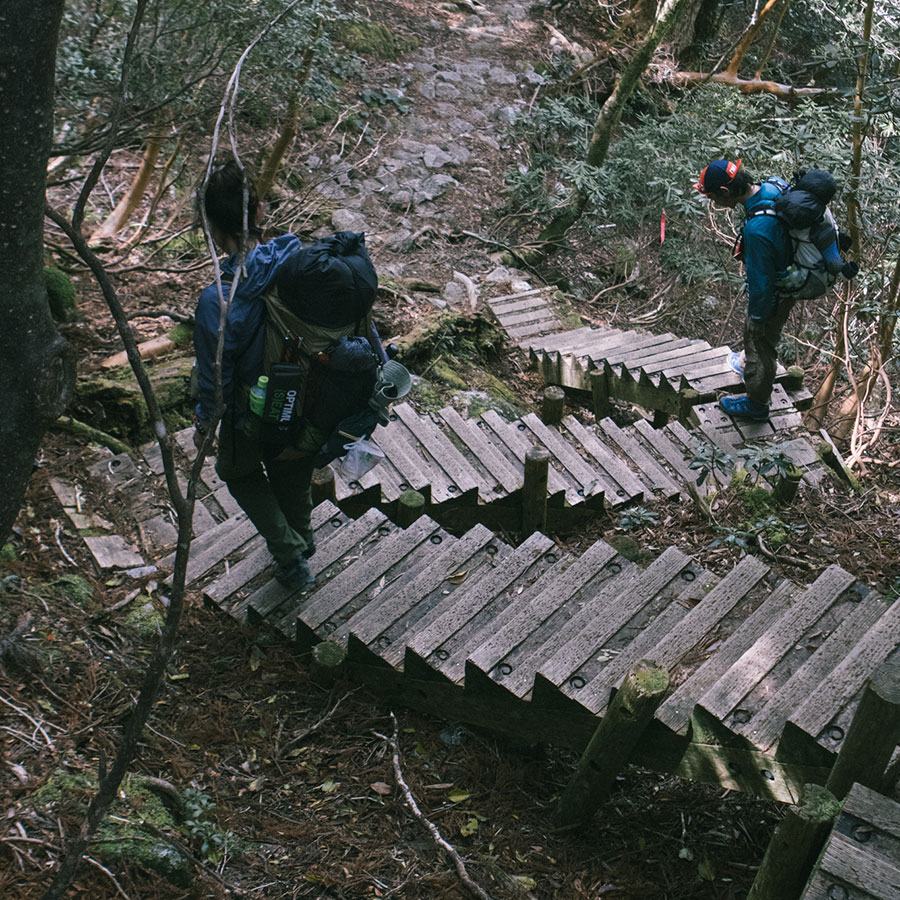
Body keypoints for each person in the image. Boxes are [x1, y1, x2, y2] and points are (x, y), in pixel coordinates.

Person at [192, 161, 316, 590]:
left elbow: (215, 378)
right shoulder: (298, 261)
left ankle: (290, 554)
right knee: (292, 470)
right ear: (260, 212)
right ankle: (305, 543)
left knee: (237, 472)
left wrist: (206, 425)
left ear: (211, 227)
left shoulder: (218, 300)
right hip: (305, 399)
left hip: (250, 412)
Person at [695, 159, 792, 422]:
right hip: (789, 278)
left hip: (775, 292)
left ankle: (757, 405)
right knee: (762, 340)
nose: (713, 203)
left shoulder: (758, 229)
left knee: (760, 341)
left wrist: (758, 317)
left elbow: (761, 282)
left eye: (713, 197)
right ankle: (748, 363)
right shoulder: (773, 186)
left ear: (725, 193)